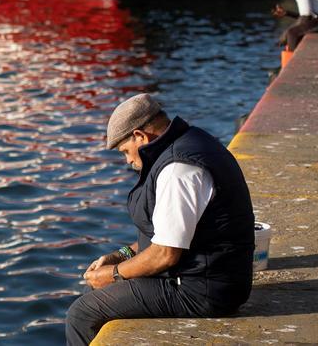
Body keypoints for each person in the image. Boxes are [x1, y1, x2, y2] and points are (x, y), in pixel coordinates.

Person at [65, 94, 255, 346]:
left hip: (203, 290)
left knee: (81, 313)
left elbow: (166, 254)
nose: (129, 161)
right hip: (206, 276)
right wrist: (122, 254)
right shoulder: (191, 142)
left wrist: (115, 274)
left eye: (125, 151)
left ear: (140, 136)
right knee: (95, 289)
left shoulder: (178, 169)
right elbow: (168, 234)